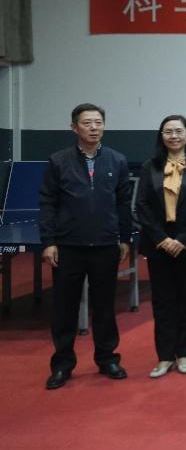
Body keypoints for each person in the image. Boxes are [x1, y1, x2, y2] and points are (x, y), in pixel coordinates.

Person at [40, 103, 132, 390]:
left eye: (98, 122)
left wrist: (124, 238)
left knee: (105, 306)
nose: (94, 128)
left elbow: (123, 203)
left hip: (105, 245)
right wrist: (49, 242)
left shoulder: (117, 160)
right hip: (68, 246)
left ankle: (107, 359)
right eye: (87, 123)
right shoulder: (58, 161)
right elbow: (48, 203)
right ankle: (62, 365)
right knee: (64, 309)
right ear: (74, 127)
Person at [136, 115, 186, 378]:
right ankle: (165, 357)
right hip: (158, 243)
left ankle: (185, 353)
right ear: (161, 136)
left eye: (179, 131)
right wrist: (161, 238)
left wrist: (183, 240)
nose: (174, 136)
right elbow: (142, 205)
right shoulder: (149, 167)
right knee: (162, 302)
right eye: (168, 131)